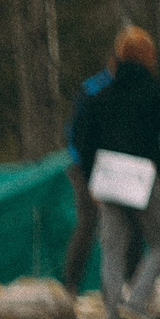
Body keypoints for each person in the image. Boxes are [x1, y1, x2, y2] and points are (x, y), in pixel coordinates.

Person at [71, 26, 160, 319]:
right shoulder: (159, 91)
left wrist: (93, 179)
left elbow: (83, 142)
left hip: (108, 178)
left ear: (120, 56)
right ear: (148, 57)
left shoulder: (101, 96)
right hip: (143, 176)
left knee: (112, 251)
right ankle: (136, 300)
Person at [59, 56, 114, 293]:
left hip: (115, 166)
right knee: (88, 224)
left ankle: (116, 286)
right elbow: (74, 133)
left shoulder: (123, 88)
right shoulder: (93, 88)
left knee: (118, 229)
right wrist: (84, 168)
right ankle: (71, 285)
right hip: (87, 167)